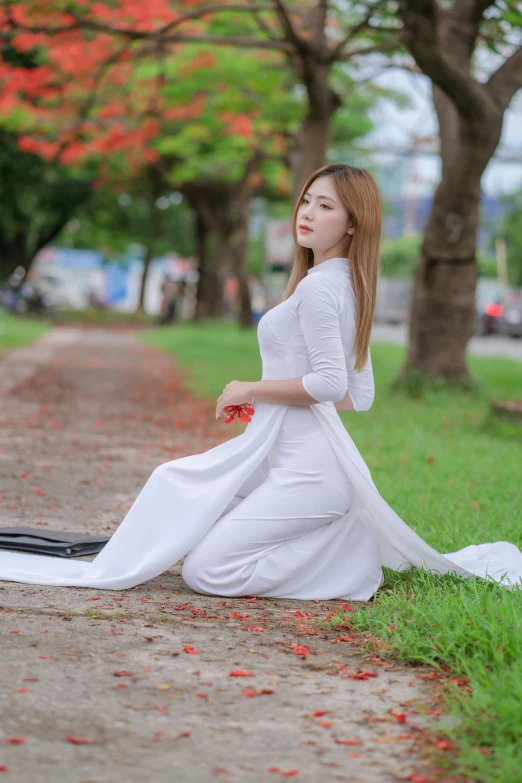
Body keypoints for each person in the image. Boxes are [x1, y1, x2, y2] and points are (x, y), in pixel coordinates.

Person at [0, 163, 521, 598]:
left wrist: (251, 390)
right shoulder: (342, 285)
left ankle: (349, 559)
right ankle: (339, 534)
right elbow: (355, 395)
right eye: (307, 201)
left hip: (308, 475)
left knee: (207, 572)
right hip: (284, 457)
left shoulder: (322, 289)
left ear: (353, 224)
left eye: (326, 207)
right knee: (186, 491)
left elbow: (327, 384)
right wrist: (275, 406)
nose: (309, 214)